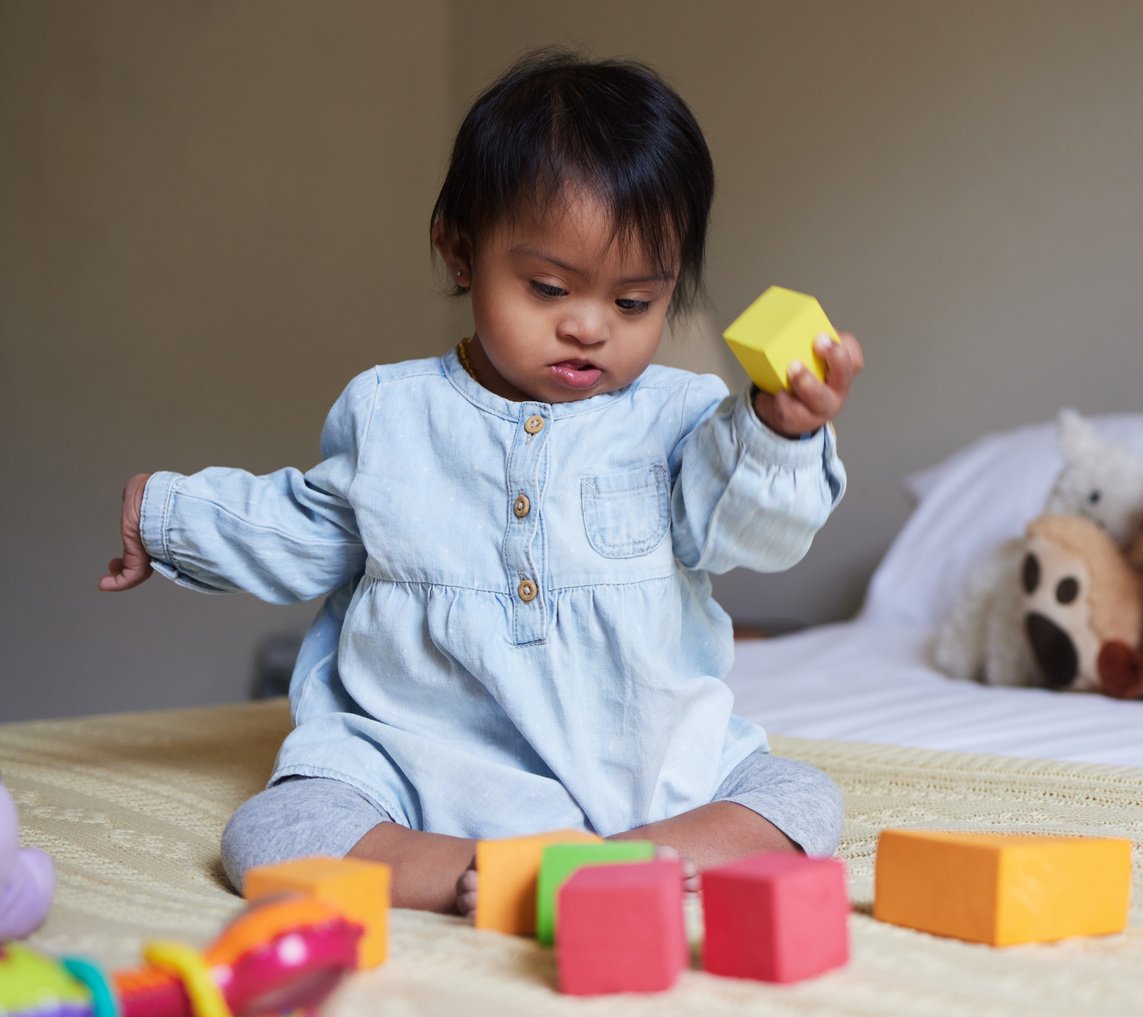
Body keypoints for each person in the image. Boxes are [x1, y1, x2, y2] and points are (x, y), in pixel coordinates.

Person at [99, 50, 864, 915]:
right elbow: (304, 527)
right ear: (460, 252)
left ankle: (631, 857)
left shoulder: (685, 417)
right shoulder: (393, 412)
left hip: (645, 767)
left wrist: (779, 431)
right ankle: (476, 870)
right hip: (422, 760)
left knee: (801, 799)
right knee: (278, 828)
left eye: (634, 304)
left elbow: (753, 531)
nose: (586, 326)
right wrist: (167, 516)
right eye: (548, 287)